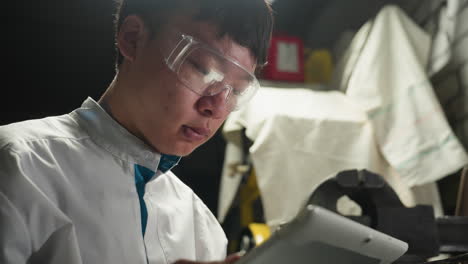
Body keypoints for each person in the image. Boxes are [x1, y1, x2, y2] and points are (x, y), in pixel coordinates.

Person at [0, 0, 273, 263]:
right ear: (132, 39)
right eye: (202, 70)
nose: (216, 107)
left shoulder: (201, 227)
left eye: (236, 91)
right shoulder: (18, 166)